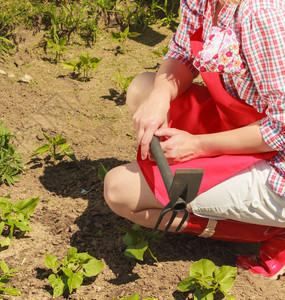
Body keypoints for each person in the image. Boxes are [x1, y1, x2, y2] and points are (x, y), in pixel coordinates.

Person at [103, 0, 285, 279]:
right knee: (145, 88)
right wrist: (159, 98)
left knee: (121, 191)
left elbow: (281, 128)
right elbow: (182, 53)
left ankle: (273, 231)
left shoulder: (262, 13)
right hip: (241, 123)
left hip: (277, 163)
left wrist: (198, 145)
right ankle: (207, 187)